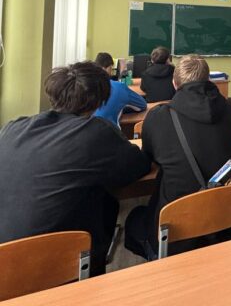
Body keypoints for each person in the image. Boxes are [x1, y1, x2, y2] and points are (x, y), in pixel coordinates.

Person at [0, 62, 151, 276]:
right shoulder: (96, 132)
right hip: (59, 263)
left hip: (6, 261)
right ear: (99, 100)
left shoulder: (12, 128)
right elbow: (138, 166)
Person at [125, 54, 231, 259]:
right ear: (209, 80)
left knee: (134, 218)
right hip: (223, 224)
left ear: (174, 84)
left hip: (176, 236)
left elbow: (149, 157)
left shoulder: (159, 116)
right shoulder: (229, 109)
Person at [93, 52, 147, 128]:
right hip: (109, 132)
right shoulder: (118, 87)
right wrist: (123, 107)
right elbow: (142, 105)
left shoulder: (84, 87)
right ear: (108, 68)